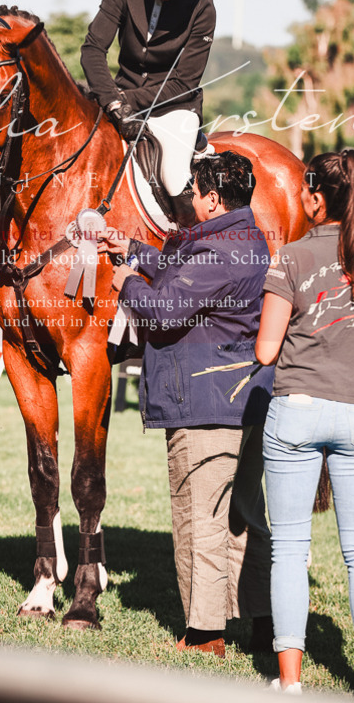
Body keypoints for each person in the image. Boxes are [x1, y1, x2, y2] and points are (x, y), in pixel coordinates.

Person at [100, 152, 275, 657]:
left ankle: (205, 635)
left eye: (195, 193)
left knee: (199, 517)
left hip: (203, 403)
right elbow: (187, 274)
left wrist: (125, 281)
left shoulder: (216, 251)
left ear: (214, 198)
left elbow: (161, 310)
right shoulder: (245, 238)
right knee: (244, 514)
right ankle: (261, 621)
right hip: (244, 401)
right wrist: (135, 250)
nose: (190, 200)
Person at [255, 149, 354, 700]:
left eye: (304, 188)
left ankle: (290, 683)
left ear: (318, 196)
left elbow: (267, 350)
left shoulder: (290, 257)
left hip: (296, 410)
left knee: (290, 548)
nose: (299, 196)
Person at [81, 0, 215, 225]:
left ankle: (190, 255)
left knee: (174, 176)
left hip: (174, 106)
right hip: (116, 99)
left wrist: (126, 100)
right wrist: (112, 102)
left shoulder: (204, 8)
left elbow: (184, 81)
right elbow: (92, 49)